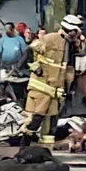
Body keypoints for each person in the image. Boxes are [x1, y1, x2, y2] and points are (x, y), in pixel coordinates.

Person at [22, 15, 80, 145]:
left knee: (50, 124)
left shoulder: (67, 44)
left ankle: (46, 151)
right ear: (71, 30)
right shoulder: (51, 39)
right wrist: (36, 67)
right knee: (35, 119)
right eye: (76, 31)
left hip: (53, 91)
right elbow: (30, 52)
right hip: (41, 87)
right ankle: (24, 146)